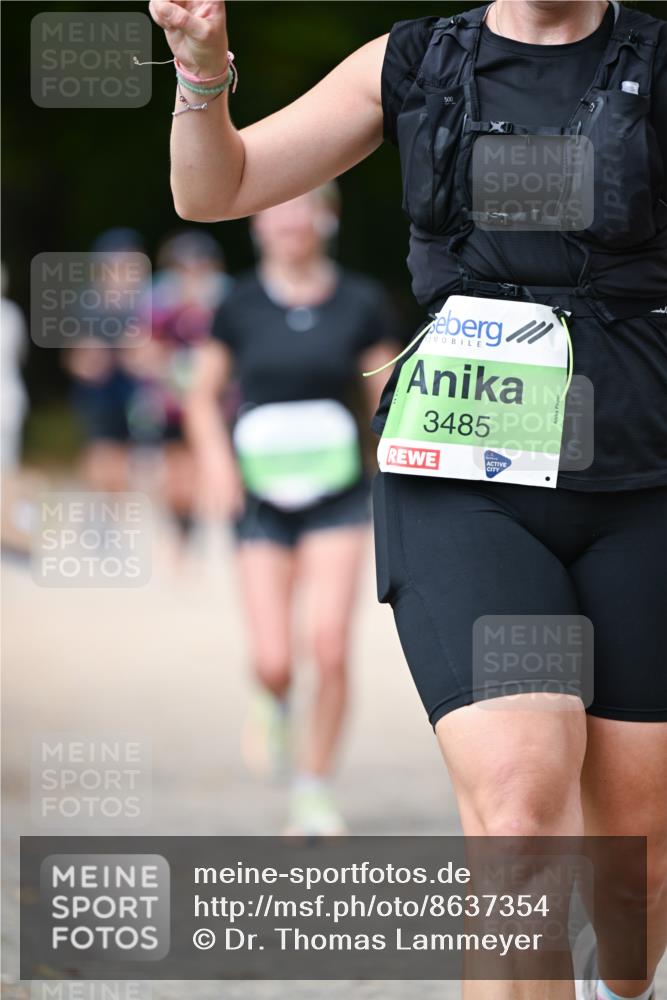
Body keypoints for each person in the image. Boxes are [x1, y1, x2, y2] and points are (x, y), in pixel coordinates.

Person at [149, 1, 666, 997]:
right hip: (464, 480)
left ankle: (622, 983)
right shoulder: (415, 60)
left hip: (640, 483)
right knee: (517, 821)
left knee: (633, 877)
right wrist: (201, 71)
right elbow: (216, 188)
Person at [185, 184, 399, 835]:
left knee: (328, 647)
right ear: (257, 225)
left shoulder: (361, 302)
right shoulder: (237, 305)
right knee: (275, 659)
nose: (289, 221)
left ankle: (313, 789)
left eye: (303, 208)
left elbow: (387, 401)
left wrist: (398, 474)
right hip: (259, 499)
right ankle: (273, 701)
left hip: (338, 493)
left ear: (326, 219)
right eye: (276, 210)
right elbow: (200, 397)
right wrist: (216, 464)